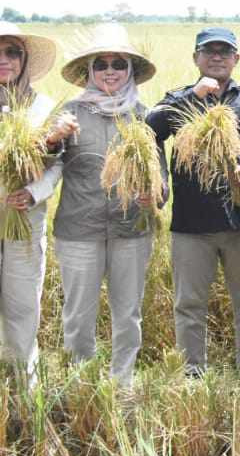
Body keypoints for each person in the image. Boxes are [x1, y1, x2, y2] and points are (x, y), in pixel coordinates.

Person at [147, 27, 240, 373]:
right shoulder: (177, 97)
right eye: (209, 51)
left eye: (224, 51)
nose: (217, 56)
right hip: (191, 225)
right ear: (196, 58)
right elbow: (150, 128)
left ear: (236, 59)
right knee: (189, 303)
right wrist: (192, 97)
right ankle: (191, 370)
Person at [53, 24, 166, 384]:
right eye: (101, 64)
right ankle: (81, 384)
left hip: (130, 229)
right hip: (78, 230)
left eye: (118, 63)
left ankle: (123, 383)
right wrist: (54, 137)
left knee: (128, 313)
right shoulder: (68, 114)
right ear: (90, 71)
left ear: (130, 70)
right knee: (78, 315)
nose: (110, 71)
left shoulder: (145, 117)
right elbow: (44, 165)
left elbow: (161, 180)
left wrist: (155, 195)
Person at [0, 23, 73, 379]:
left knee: (22, 306)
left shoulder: (43, 107)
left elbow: (56, 164)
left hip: (24, 223)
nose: (4, 60)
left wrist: (33, 192)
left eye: (12, 52)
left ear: (24, 60)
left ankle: (23, 390)